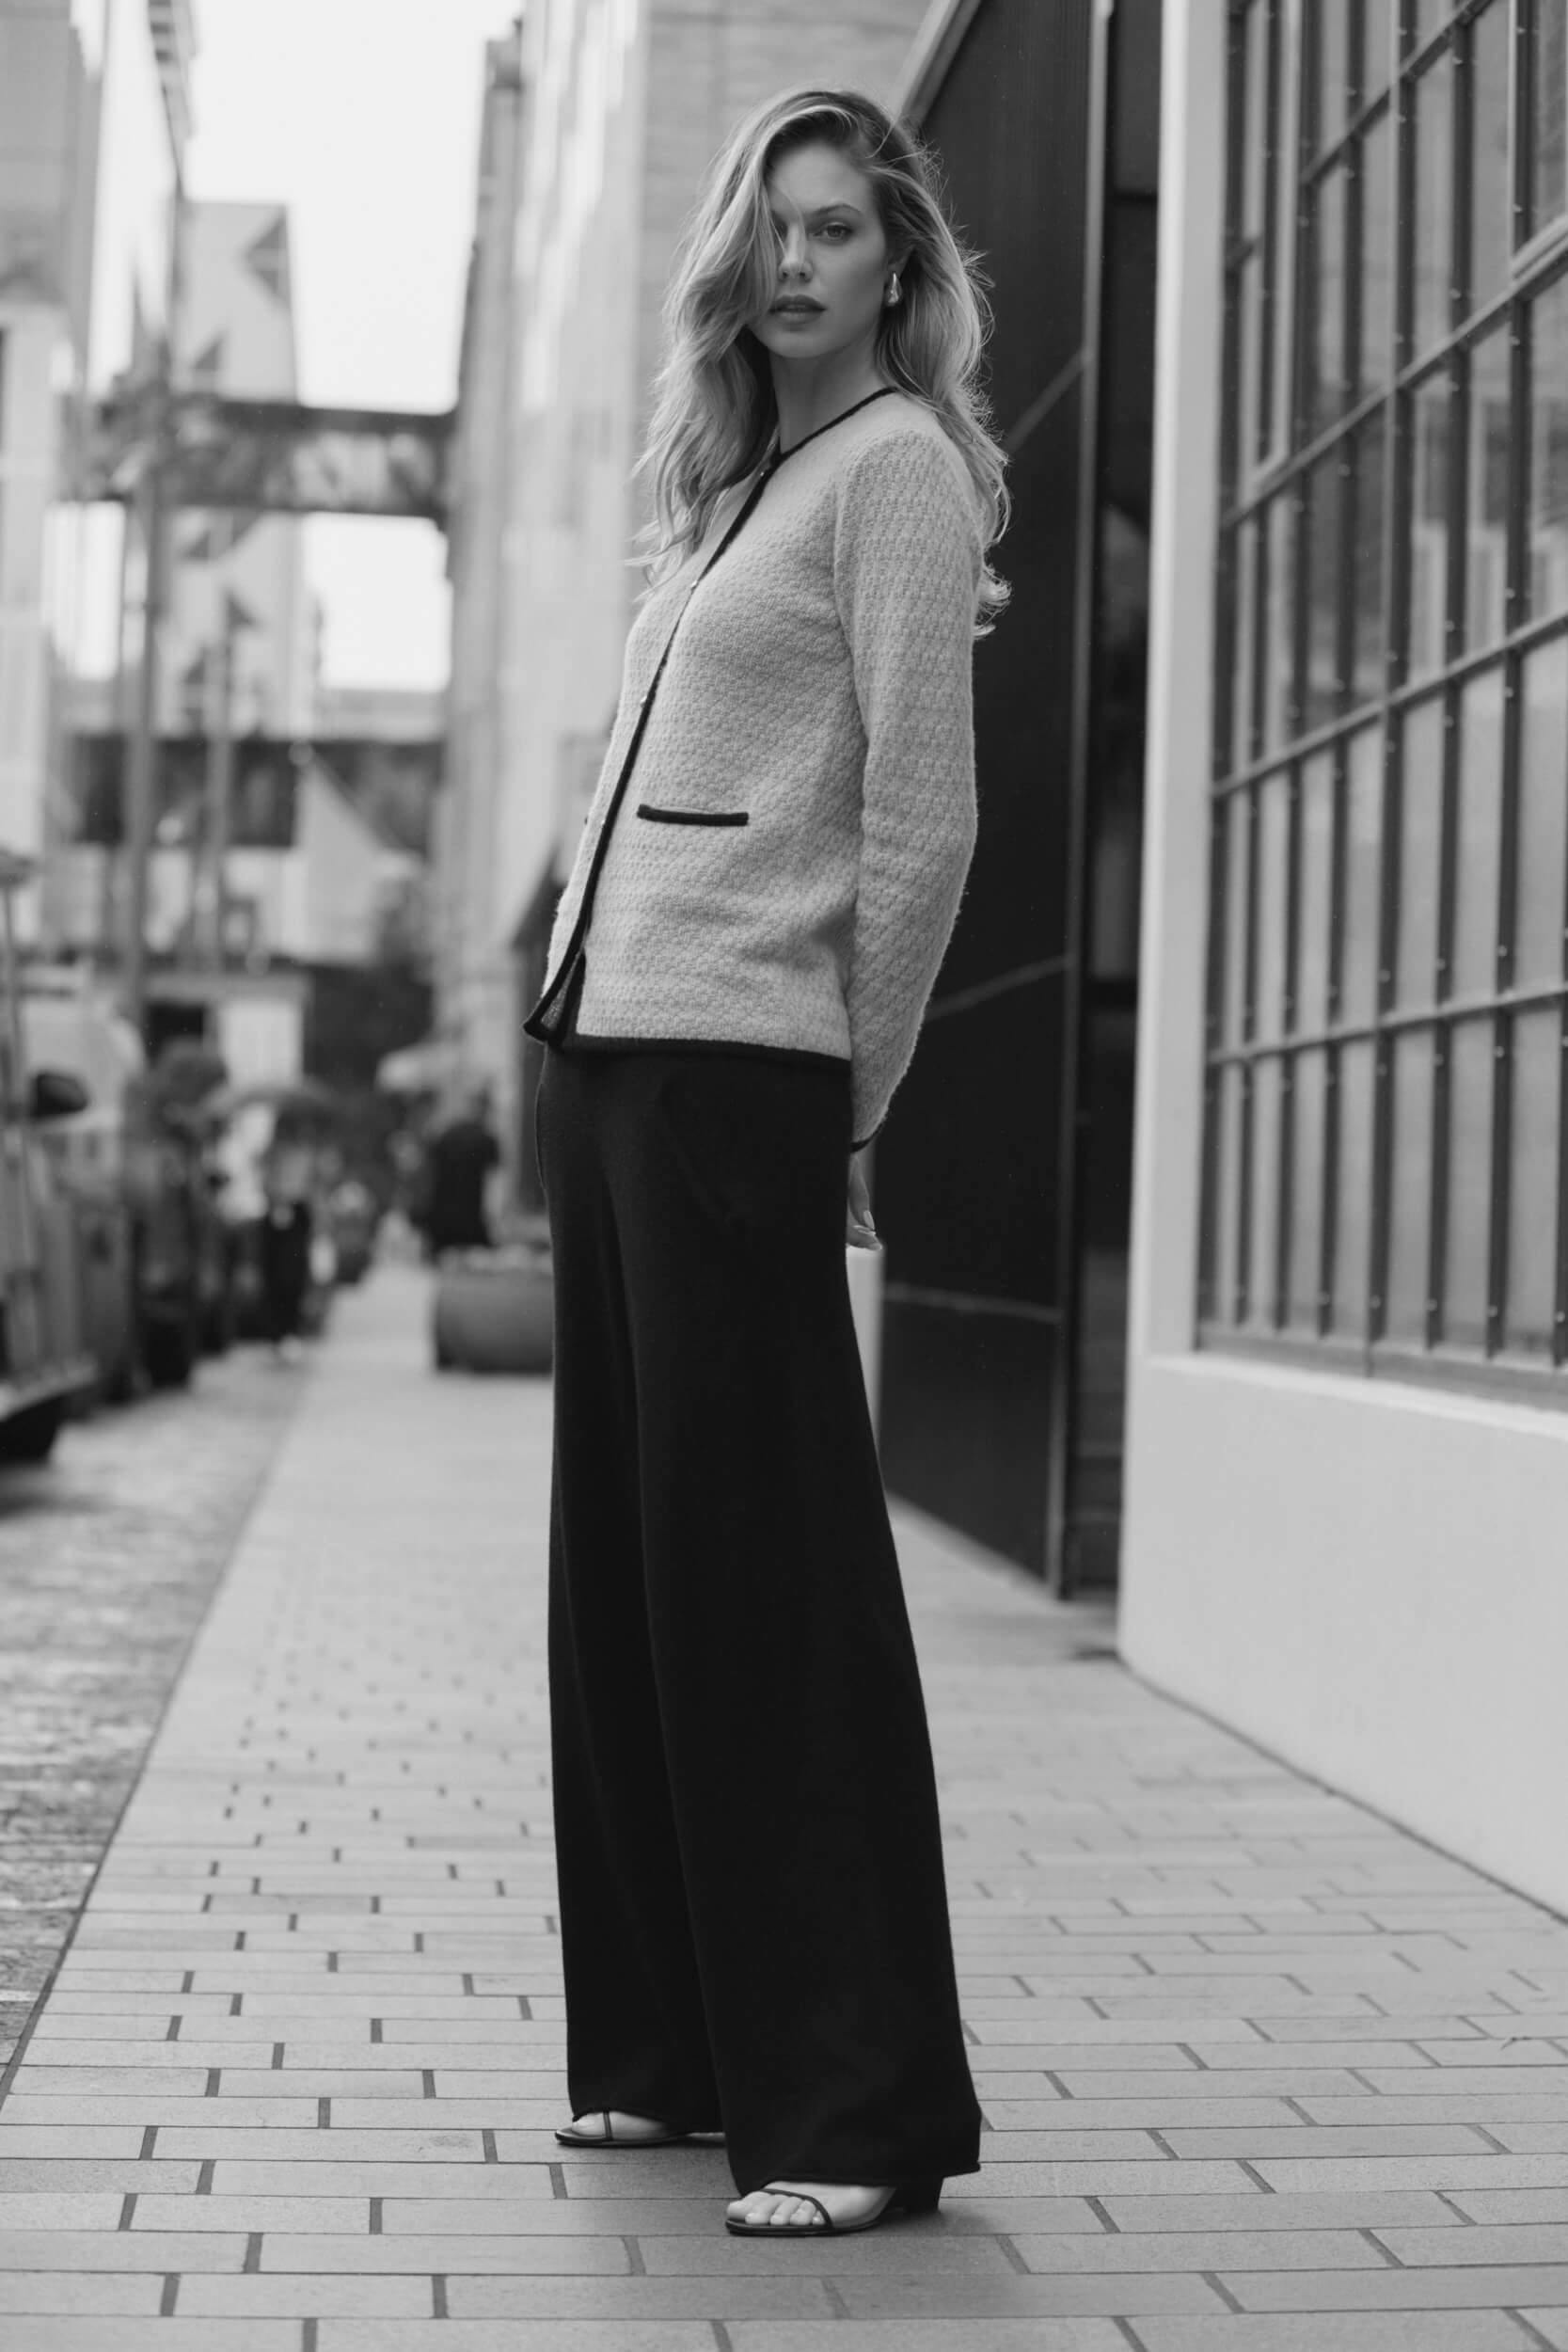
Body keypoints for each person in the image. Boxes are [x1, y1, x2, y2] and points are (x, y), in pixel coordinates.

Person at [523, 87, 1009, 2238]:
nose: (795, 263)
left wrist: (854, 1099)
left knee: (764, 1580)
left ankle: (854, 2104)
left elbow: (920, 817)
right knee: (628, 1575)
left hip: (743, 1075)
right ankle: (668, 2051)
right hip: (615, 1064)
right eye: (771, 230)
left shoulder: (894, 468)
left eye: (833, 231)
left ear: (897, 264)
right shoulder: (738, 484)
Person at [420, 1083, 500, 1259]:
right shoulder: (487, 1140)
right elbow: (494, 1185)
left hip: (441, 1222)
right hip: (472, 1222)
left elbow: (429, 1176)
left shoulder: (446, 1135)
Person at [257, 1134, 313, 1361]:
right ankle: (277, 1335)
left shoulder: (301, 1211)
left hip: (293, 1255)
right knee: (276, 1291)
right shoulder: (269, 1211)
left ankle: (290, 1333)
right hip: (275, 1255)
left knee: (292, 1289)